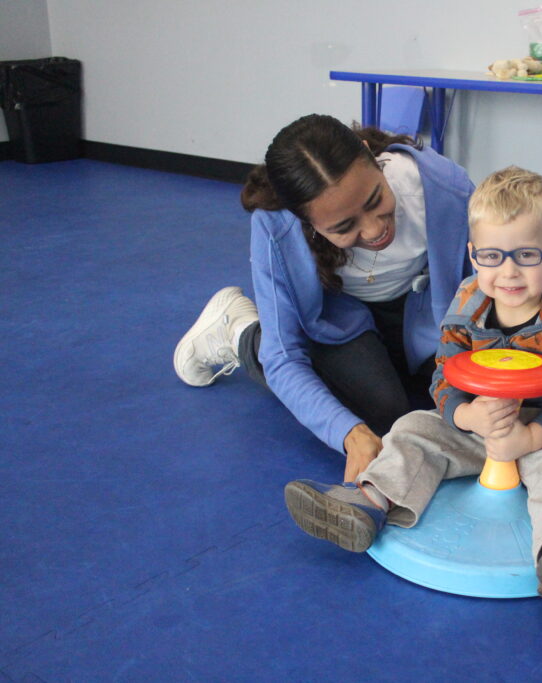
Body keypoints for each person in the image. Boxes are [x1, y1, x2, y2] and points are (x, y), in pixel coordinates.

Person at [283, 166, 542, 608]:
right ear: (474, 256)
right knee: (414, 428)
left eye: (527, 256)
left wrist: (531, 436)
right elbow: (445, 372)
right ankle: (369, 501)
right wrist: (465, 416)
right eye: (493, 256)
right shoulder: (467, 300)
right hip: (478, 420)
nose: (509, 272)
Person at [173, 114, 473, 481]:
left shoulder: (444, 189)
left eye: (375, 198)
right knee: (382, 412)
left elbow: (489, 289)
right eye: (344, 227)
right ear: (304, 220)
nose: (376, 229)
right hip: (337, 320)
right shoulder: (276, 225)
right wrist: (349, 433)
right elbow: (284, 356)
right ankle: (240, 333)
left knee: (462, 398)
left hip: (422, 310)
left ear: (369, 156)